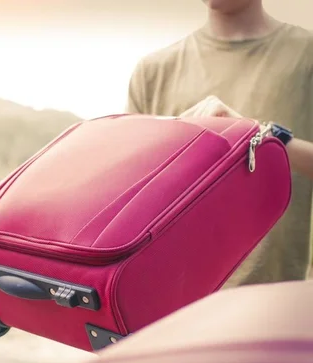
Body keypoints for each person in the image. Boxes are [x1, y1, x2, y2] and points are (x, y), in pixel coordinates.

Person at [125, 0, 313, 287]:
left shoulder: (306, 55)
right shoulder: (153, 71)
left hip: (274, 302)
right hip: (169, 305)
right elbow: (129, 198)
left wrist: (259, 137)